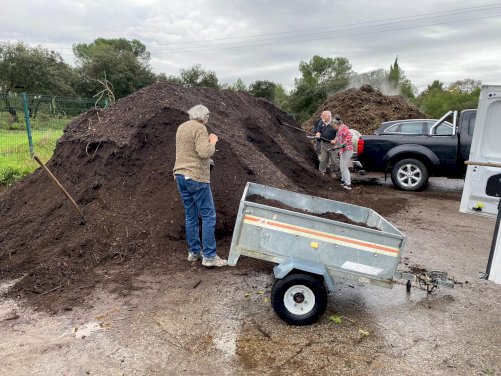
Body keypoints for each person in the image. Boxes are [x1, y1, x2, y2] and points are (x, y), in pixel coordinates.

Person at [173, 104, 227, 267]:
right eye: (208, 117)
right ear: (204, 117)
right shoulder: (200, 128)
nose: (207, 120)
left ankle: (194, 252)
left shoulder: (181, 127)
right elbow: (204, 152)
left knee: (191, 215)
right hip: (196, 176)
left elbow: (186, 151)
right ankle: (209, 256)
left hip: (180, 175)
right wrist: (213, 141)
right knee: (209, 215)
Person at [315, 111, 339, 177]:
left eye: (323, 117)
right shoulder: (321, 122)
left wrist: (335, 140)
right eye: (322, 116)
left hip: (332, 145)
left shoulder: (335, 123)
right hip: (323, 144)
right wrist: (318, 134)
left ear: (328, 116)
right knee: (323, 159)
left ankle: (334, 172)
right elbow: (318, 131)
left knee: (334, 160)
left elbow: (339, 133)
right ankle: (321, 172)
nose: (322, 118)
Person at [333, 116, 354, 190]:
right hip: (343, 150)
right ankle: (343, 180)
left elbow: (350, 135)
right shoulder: (338, 131)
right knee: (342, 166)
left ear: (337, 124)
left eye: (334, 126)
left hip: (348, 150)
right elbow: (339, 140)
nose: (333, 127)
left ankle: (348, 183)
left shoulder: (343, 128)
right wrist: (336, 145)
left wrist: (344, 143)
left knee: (344, 167)